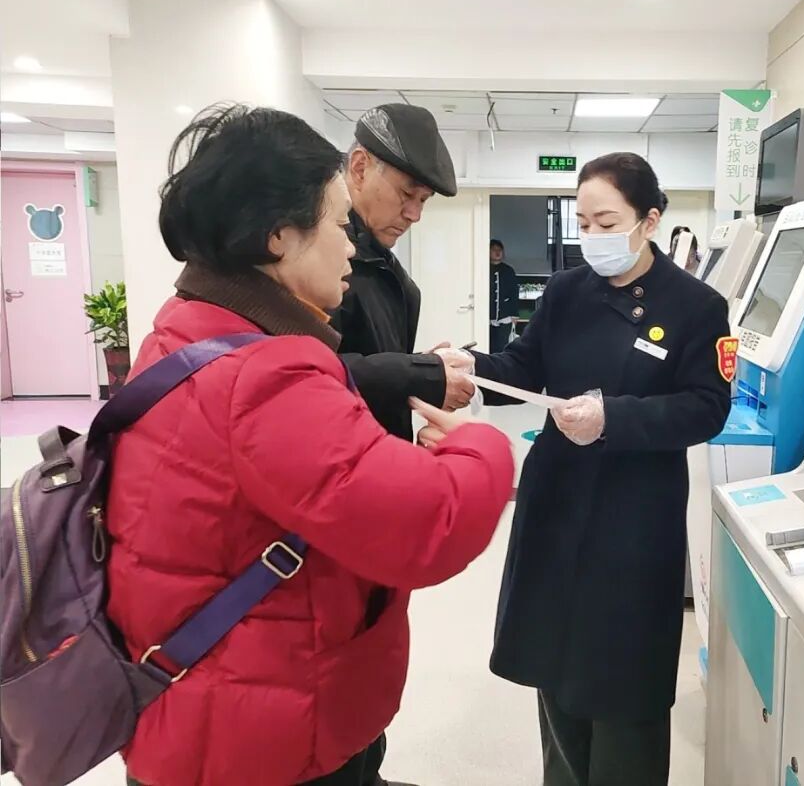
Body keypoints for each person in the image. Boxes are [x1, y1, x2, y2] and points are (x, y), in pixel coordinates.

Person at [108, 104, 514, 786]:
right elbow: (432, 520)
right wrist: (481, 447)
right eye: (335, 221)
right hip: (251, 729)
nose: (350, 245)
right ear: (278, 236)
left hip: (222, 686)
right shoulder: (267, 374)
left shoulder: (183, 328)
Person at [465, 153, 731, 785]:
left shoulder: (696, 305)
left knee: (623, 682)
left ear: (649, 220)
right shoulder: (565, 291)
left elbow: (706, 407)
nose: (592, 236)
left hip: (633, 518)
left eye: (606, 223)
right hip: (557, 503)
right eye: (583, 223)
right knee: (557, 668)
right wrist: (468, 370)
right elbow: (523, 368)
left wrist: (614, 416)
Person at [334, 103, 475, 441]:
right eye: (406, 194)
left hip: (378, 456)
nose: (414, 214)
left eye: (423, 200)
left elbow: (369, 363)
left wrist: (422, 369)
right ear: (360, 168)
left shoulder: (386, 267)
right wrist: (420, 375)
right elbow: (303, 374)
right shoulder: (319, 256)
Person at [489, 238, 520, 352]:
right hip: (488, 317)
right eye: (494, 249)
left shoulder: (508, 270)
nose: (497, 252)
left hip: (505, 316)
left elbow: (514, 293)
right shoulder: (484, 269)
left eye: (500, 250)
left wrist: (514, 314)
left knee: (502, 348)